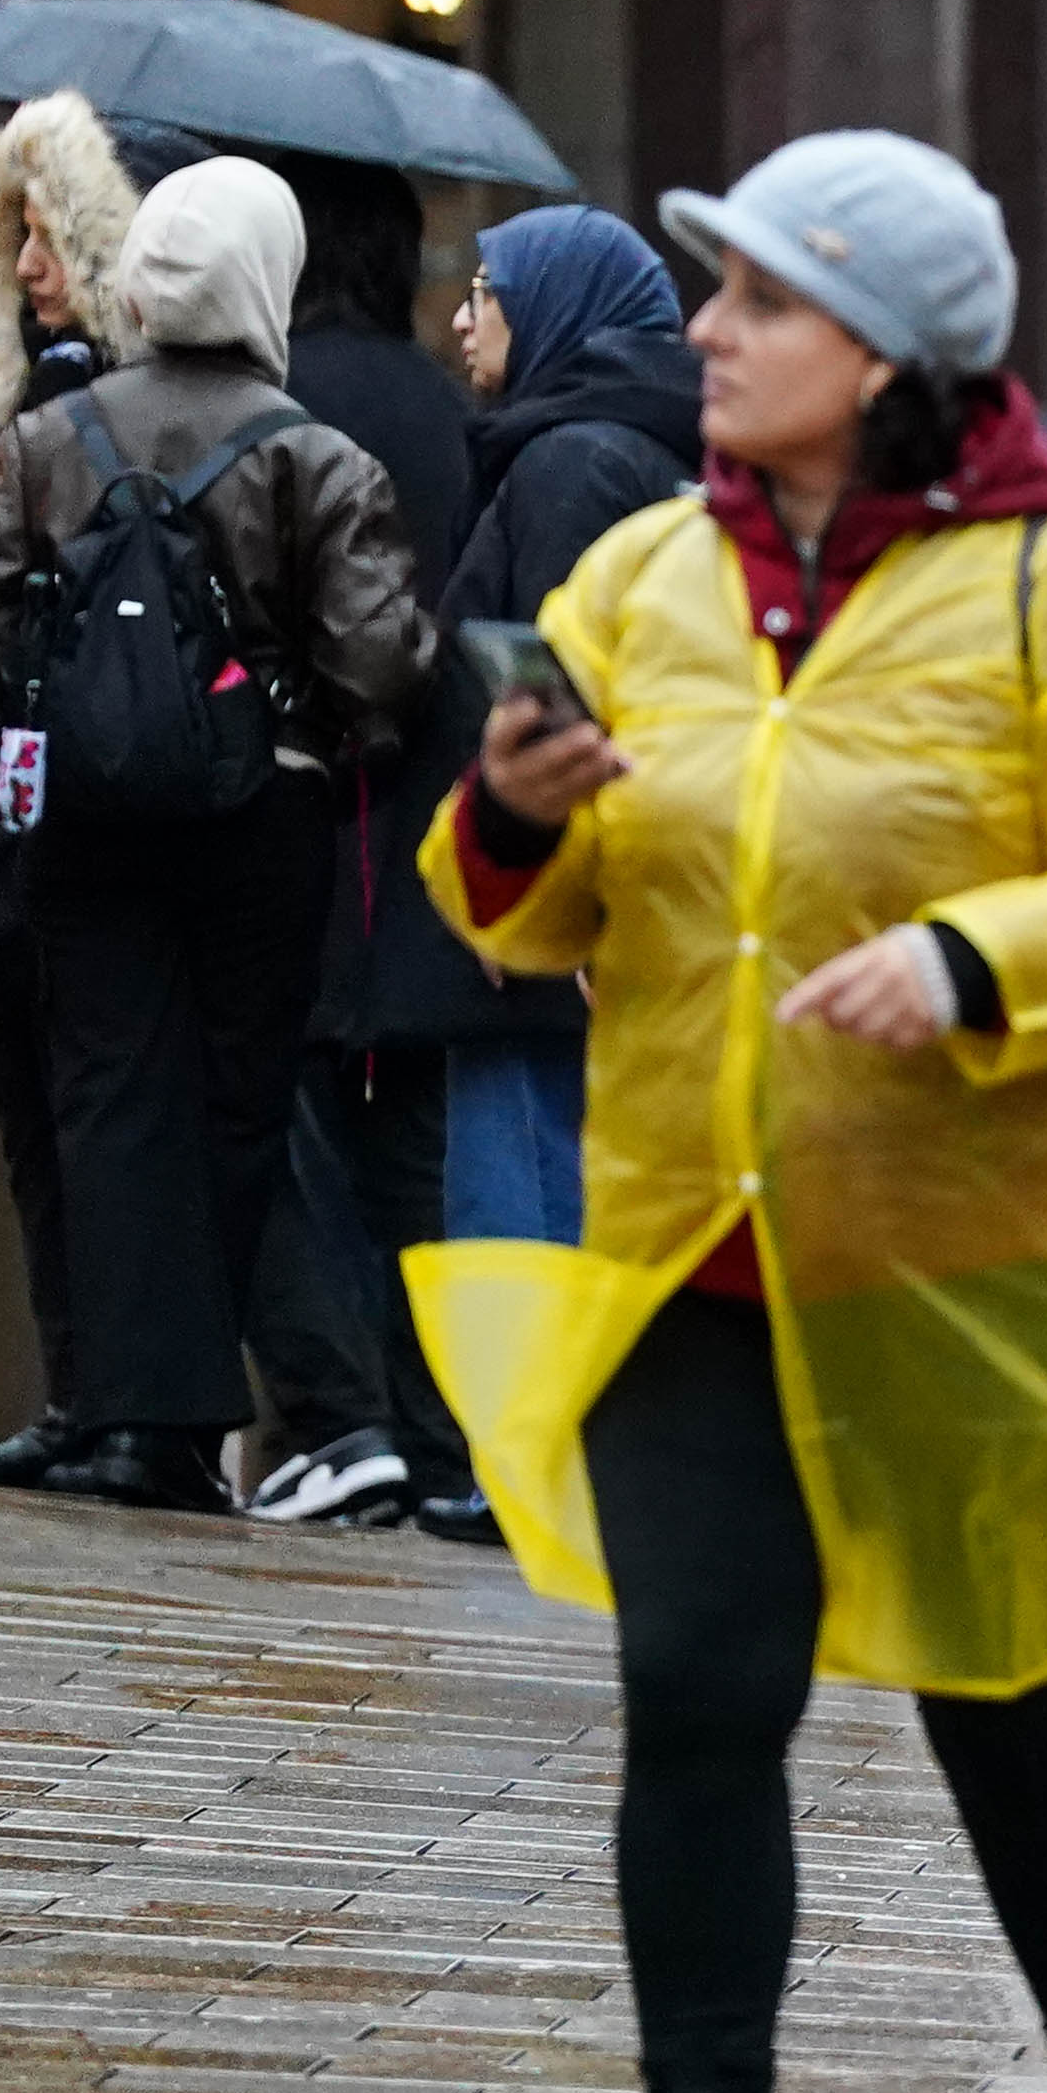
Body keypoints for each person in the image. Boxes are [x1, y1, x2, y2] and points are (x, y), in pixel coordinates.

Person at [412, 130, 1047, 2093]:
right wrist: (506, 818)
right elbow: (531, 907)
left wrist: (976, 960)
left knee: (1011, 1712)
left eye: (761, 300)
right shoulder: (641, 583)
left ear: (889, 350)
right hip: (694, 1244)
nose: (710, 334)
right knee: (694, 1703)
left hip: (974, 1252)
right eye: (710, 295)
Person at [0, 159, 434, 1515]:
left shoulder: (49, 437)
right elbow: (381, 664)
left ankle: (118, 1413)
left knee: (103, 1099)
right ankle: (187, 1425)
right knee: (233, 1105)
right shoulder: (319, 459)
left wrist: (63, 700)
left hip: (81, 822)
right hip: (261, 821)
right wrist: (305, 727)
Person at [0, 91, 172, 1492]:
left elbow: (3, 607)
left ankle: (99, 1404)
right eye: (7, 238)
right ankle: (90, 1402)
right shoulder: (31, 405)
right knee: (54, 1117)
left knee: (72, 1116)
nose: (23, 266)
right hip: (38, 795)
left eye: (46, 235)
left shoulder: (89, 415)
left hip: (63, 807)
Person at [245, 156, 488, 1532]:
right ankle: (435, 1428)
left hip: (317, 814)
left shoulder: (287, 405)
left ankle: (343, 1425)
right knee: (410, 1146)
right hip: (437, 826)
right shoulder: (441, 408)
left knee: (294, 1118)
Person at [426, 208, 704, 1308]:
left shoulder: (570, 462)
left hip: (541, 914)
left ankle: (526, 1475)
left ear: (553, 309)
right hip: (572, 904)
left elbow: (550, 691)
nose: (461, 317)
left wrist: (525, 865)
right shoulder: (618, 448)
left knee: (526, 1216)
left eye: (486, 291)